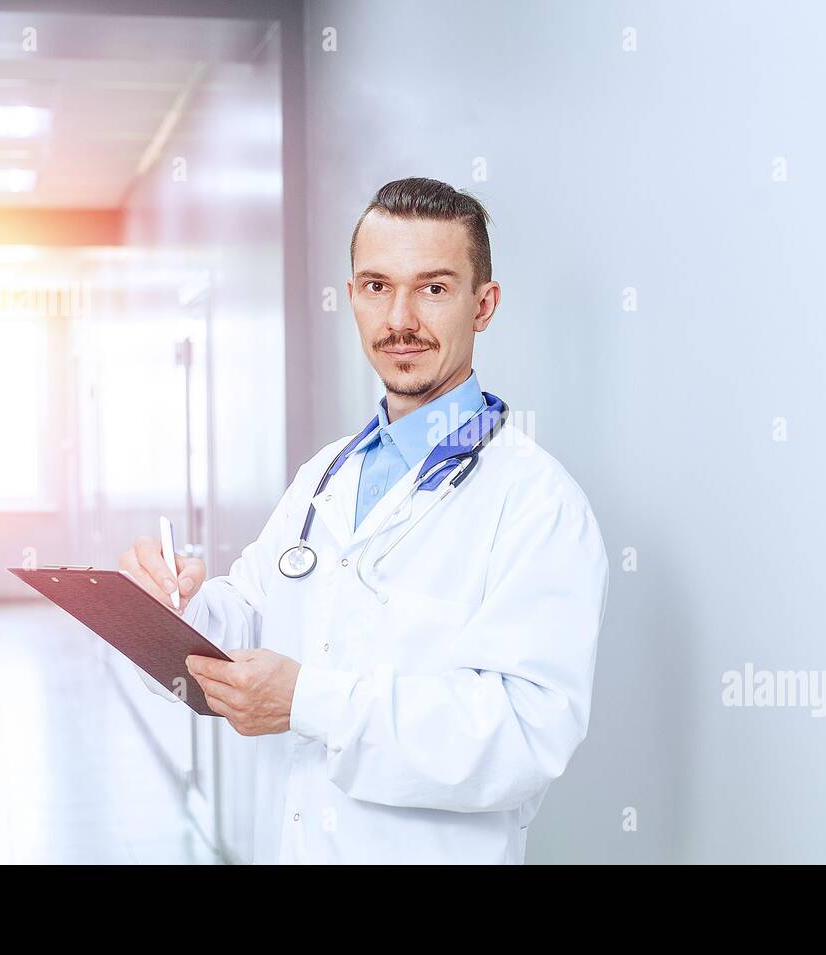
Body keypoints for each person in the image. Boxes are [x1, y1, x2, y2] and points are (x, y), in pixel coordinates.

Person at [120, 177, 608, 864]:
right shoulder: (324, 476)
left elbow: (523, 736)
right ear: (352, 298)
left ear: (484, 304)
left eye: (433, 288)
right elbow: (250, 622)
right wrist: (172, 608)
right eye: (377, 286)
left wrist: (310, 702)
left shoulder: (537, 504)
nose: (399, 319)